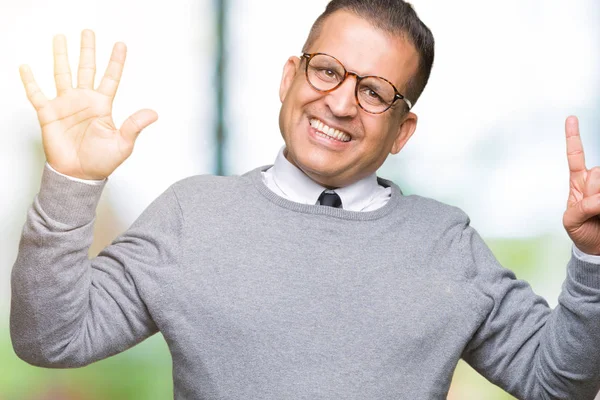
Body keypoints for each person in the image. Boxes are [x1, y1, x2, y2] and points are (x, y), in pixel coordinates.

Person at [10, 0, 600, 399]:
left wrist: (593, 260)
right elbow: (50, 339)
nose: (341, 104)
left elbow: (556, 383)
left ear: (403, 131)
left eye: (374, 91)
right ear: (290, 76)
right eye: (327, 72)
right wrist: (72, 181)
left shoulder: (447, 243)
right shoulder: (192, 216)